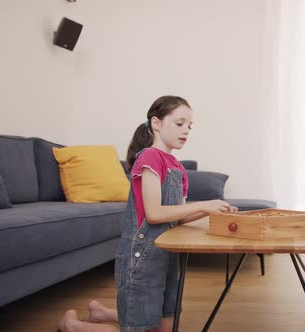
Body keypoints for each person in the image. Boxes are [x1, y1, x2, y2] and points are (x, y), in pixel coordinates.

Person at [58, 95, 237, 332]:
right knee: (143, 326)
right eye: (179, 123)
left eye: (189, 127)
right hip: (144, 256)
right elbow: (153, 214)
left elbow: (179, 216)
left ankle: (103, 313)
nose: (186, 131)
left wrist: (214, 211)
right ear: (156, 123)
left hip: (168, 254)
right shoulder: (149, 158)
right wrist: (204, 205)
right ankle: (73, 326)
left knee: (166, 325)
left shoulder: (178, 167)